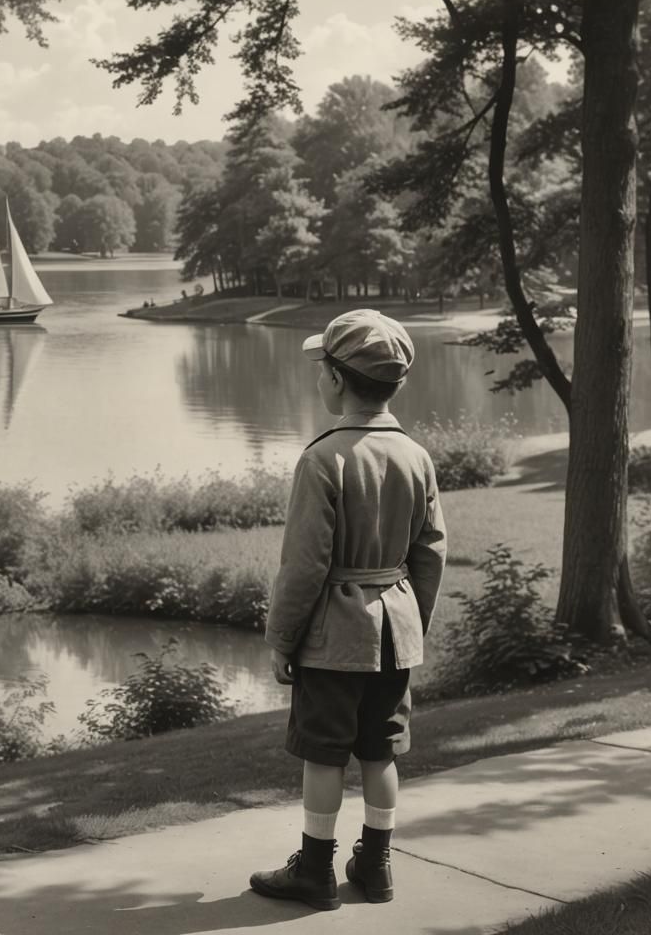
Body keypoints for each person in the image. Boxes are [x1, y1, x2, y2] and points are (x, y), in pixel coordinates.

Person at [249, 308, 447, 912]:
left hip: (336, 637)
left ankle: (314, 870)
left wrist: (282, 638)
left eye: (320, 370)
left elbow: (305, 565)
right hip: (395, 633)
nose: (318, 381)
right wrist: (414, 629)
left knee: (324, 751)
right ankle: (377, 865)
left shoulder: (324, 458)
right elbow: (431, 555)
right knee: (380, 749)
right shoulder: (416, 456)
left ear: (336, 380)